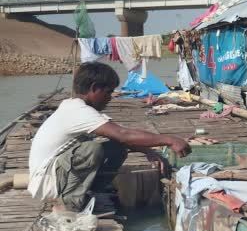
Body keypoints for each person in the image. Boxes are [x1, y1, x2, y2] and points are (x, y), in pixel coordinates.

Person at [28, 62, 191, 212]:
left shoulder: (74, 107)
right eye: (108, 92)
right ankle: (69, 204)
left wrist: (148, 151)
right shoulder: (78, 111)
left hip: (54, 175)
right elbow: (123, 134)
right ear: (94, 88)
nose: (110, 97)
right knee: (92, 149)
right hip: (47, 182)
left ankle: (87, 193)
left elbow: (120, 137)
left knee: (117, 148)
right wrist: (170, 139)